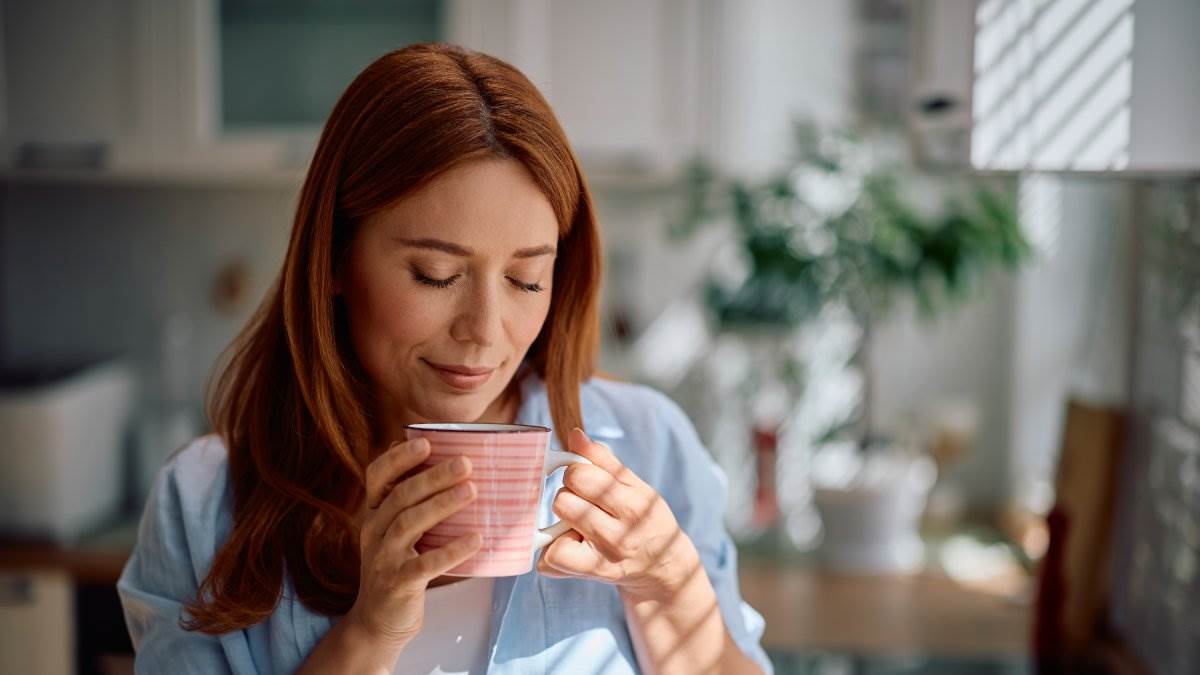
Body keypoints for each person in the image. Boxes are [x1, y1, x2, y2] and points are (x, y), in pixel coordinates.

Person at [117, 42, 772, 675]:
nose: (484, 332)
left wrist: (671, 587)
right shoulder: (202, 506)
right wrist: (370, 633)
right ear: (336, 258)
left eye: (526, 281)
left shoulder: (650, 445)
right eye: (435, 275)